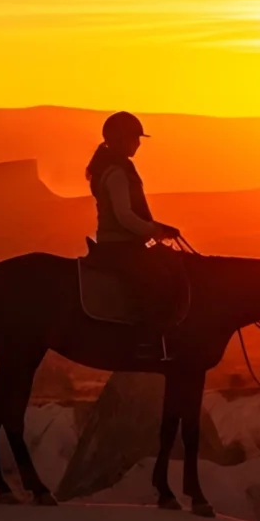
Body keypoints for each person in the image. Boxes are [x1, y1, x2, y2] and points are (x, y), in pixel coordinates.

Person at [85, 111, 184, 351]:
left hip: (119, 243)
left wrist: (158, 229)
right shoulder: (117, 172)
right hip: (120, 246)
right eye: (134, 138)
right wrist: (156, 229)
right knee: (158, 279)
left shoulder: (113, 167)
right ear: (119, 140)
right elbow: (125, 217)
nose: (138, 144)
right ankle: (145, 342)